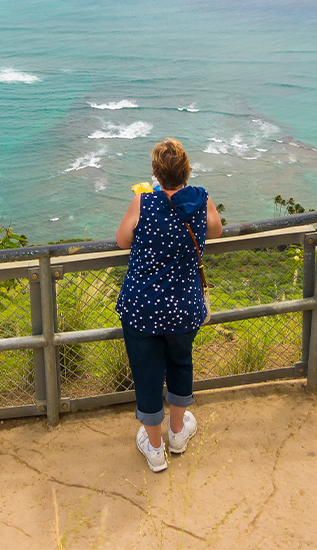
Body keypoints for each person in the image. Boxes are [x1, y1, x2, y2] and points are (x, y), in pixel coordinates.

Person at [114, 138, 223, 472]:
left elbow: (122, 240)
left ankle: (155, 448)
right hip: (183, 307)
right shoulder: (201, 199)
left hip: (142, 307)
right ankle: (177, 434)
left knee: (147, 374)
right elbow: (216, 231)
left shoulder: (143, 202)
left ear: (155, 174)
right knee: (180, 364)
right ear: (187, 170)